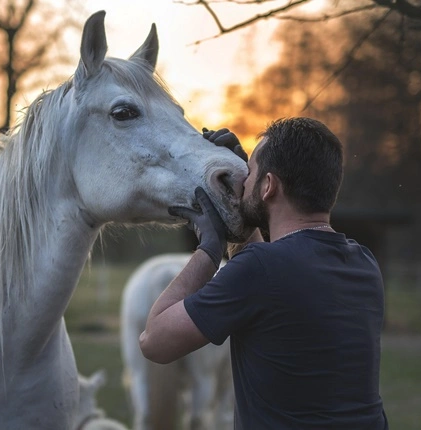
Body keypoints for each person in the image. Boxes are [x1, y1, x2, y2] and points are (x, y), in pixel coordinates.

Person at [139, 117, 388, 429]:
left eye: (251, 174)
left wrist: (209, 249)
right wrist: (241, 200)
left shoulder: (261, 269)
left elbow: (154, 342)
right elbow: (267, 273)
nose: (244, 182)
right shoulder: (363, 263)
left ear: (269, 186)